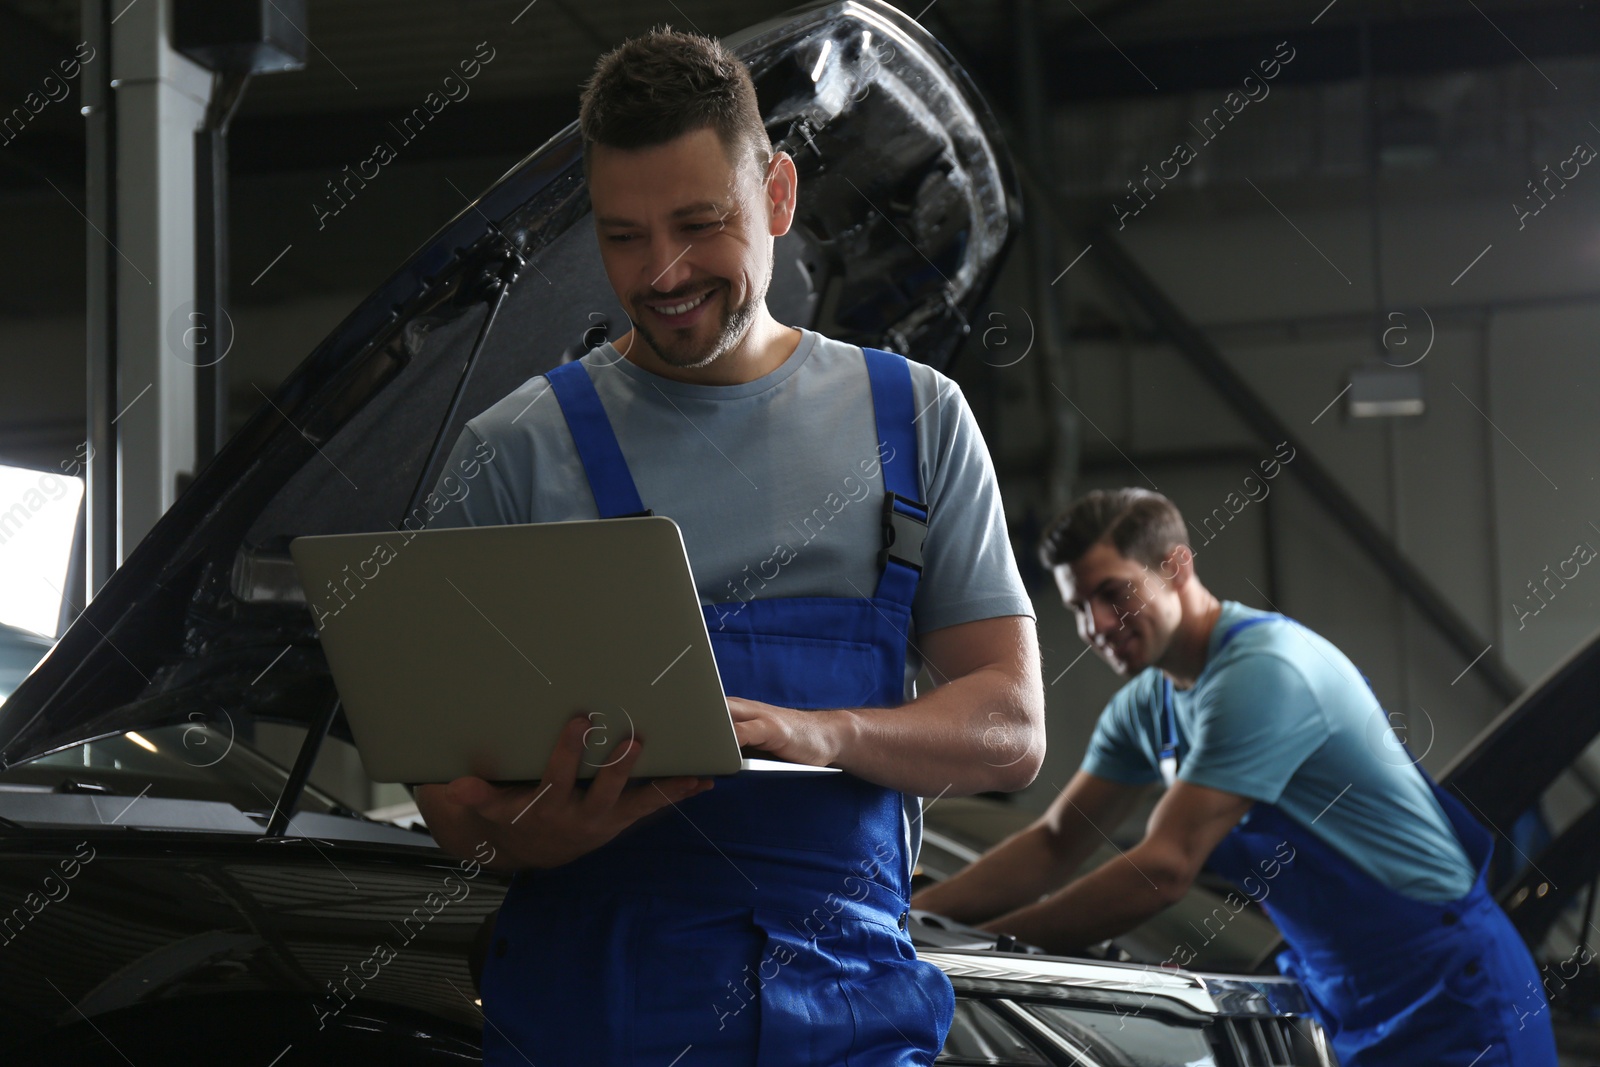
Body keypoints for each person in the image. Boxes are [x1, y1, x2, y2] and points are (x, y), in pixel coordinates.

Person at [411, 26, 1045, 1066]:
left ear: (779, 195)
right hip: (592, 1017)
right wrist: (528, 835)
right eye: (623, 236)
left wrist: (829, 733)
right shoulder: (516, 451)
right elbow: (449, 798)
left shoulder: (914, 419)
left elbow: (1011, 726)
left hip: (850, 1012)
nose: (662, 272)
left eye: (700, 224)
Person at [912, 488, 1558, 1067]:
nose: (1096, 627)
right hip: (1343, 995)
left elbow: (1165, 867)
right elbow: (1056, 841)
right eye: (1079, 606)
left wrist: (995, 956)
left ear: (1177, 565)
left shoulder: (1265, 671)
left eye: (1113, 594)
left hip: (1454, 988)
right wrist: (917, 918)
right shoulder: (1150, 705)